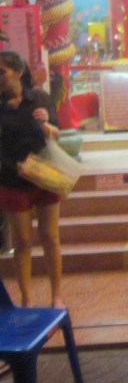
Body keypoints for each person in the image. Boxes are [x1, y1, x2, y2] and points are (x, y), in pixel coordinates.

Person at [0, 51, 64, 308]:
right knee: (22, 241)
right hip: (13, 178)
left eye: (2, 72)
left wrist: (46, 125)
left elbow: (57, 134)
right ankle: (26, 298)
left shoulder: (39, 98)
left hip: (44, 174)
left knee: (50, 237)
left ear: (18, 72)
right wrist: (12, 165)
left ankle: (56, 296)